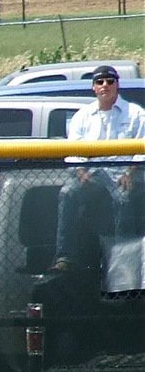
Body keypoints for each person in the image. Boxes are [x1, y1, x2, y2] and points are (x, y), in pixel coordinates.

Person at [53, 64, 145, 274]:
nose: (105, 85)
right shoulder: (82, 116)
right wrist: (80, 172)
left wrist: (130, 173)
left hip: (123, 174)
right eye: (100, 81)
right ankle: (64, 257)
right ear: (93, 87)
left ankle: (122, 262)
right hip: (93, 174)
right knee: (68, 193)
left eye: (110, 81)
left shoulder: (136, 114)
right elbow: (72, 151)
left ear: (117, 85)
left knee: (124, 200)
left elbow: (142, 150)